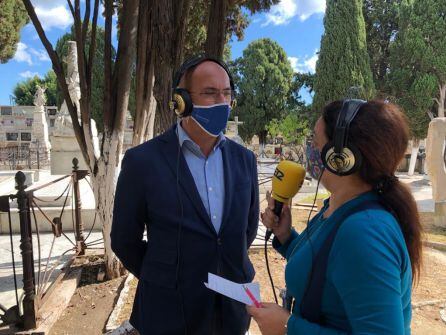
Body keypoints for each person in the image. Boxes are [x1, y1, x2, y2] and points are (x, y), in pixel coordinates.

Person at [111, 56, 259, 335]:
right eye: (210, 93)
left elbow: (246, 232)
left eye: (226, 93)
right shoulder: (142, 162)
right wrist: (165, 277)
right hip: (169, 313)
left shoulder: (245, 160)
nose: (221, 102)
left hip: (231, 313)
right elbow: (123, 240)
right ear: (182, 101)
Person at [247, 99, 422, 335]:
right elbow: (326, 267)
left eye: (316, 143)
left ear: (340, 157)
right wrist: (286, 237)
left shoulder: (365, 232)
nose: (310, 150)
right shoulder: (338, 206)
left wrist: (289, 327)